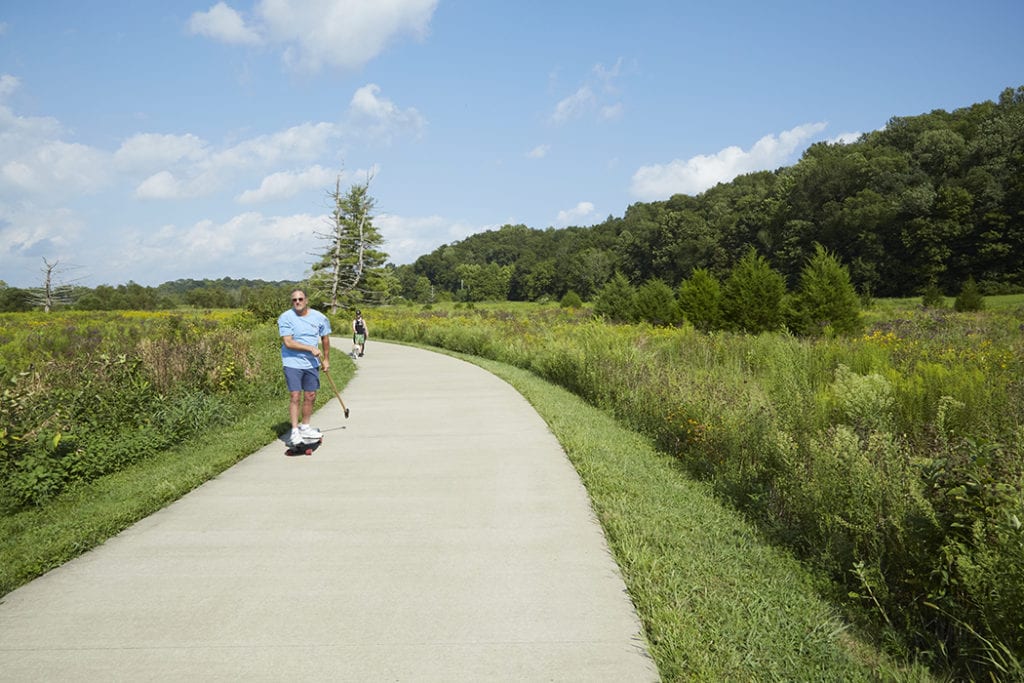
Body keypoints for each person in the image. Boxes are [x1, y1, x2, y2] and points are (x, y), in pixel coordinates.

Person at [278, 289, 331, 447]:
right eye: (294, 300)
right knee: (295, 395)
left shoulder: (319, 317)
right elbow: (288, 342)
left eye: (300, 299)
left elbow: (325, 338)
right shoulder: (286, 317)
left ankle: (305, 427)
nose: (298, 302)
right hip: (292, 361)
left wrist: (326, 359)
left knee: (310, 395)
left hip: (311, 363)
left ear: (306, 300)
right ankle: (295, 431)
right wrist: (309, 348)